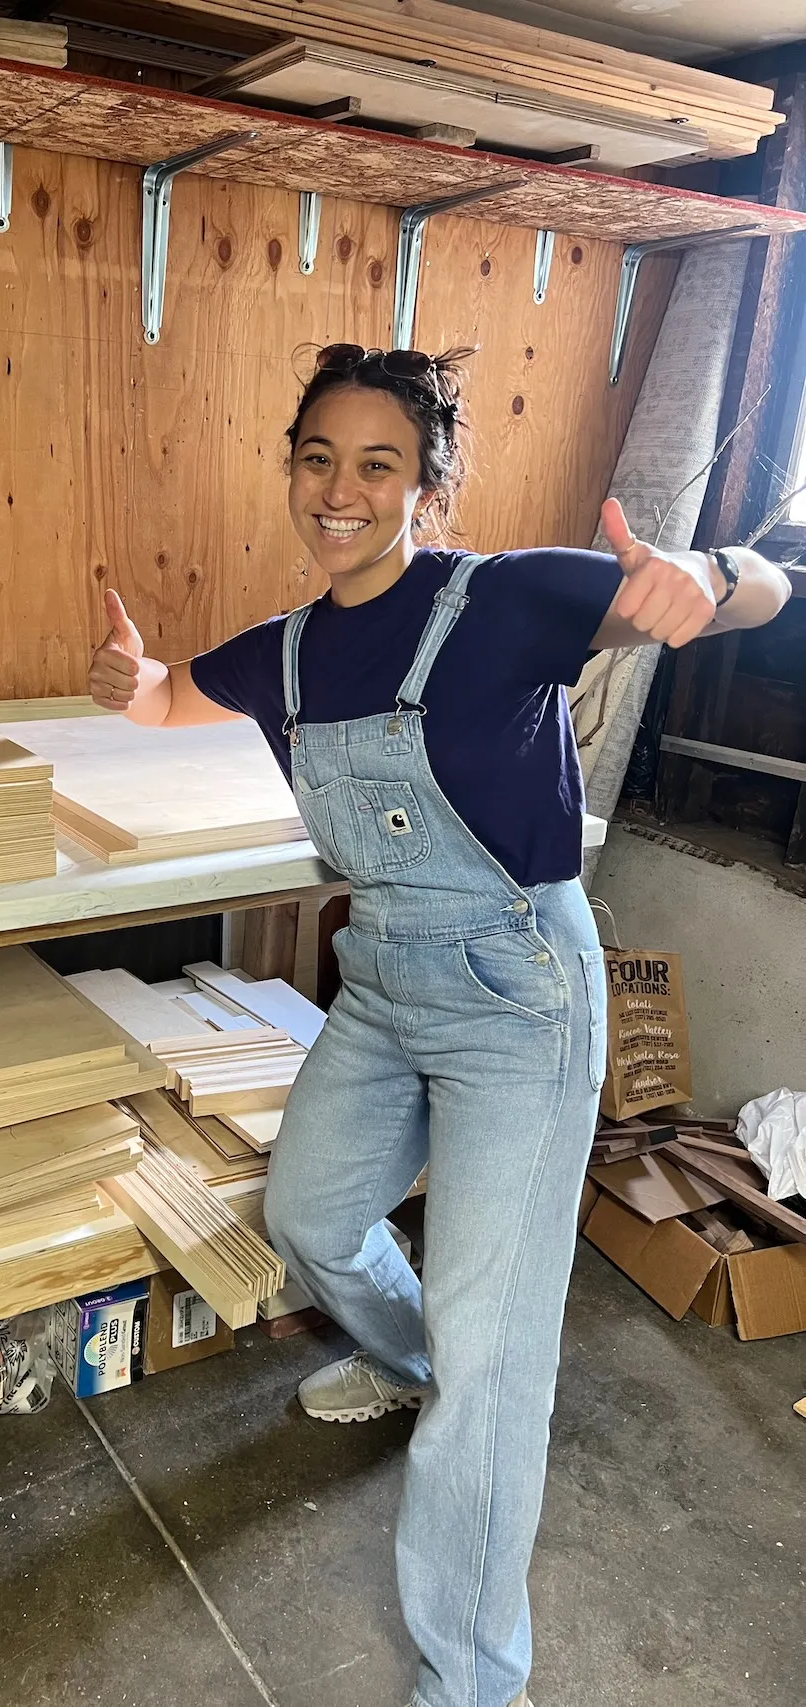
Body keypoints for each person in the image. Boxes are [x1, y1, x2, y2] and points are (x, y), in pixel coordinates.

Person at [86, 343, 791, 1707]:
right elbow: (174, 693)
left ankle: (476, 1680)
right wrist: (135, 681)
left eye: (379, 464)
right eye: (318, 459)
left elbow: (767, 587)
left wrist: (709, 573)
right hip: (385, 986)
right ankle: (407, 1358)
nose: (340, 491)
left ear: (428, 486)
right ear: (291, 470)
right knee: (308, 1214)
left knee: (497, 1358)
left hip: (521, 997)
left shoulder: (508, 600)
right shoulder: (288, 653)